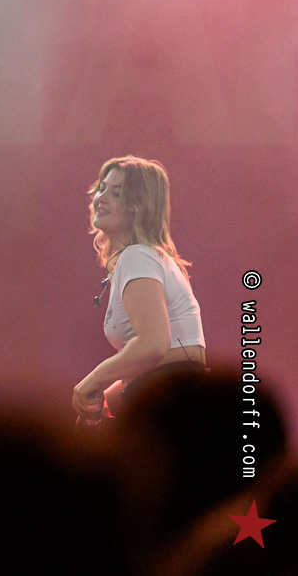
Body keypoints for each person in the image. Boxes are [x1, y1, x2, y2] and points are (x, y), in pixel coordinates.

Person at [73, 156, 206, 422]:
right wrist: (104, 398)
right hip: (171, 394)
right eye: (102, 188)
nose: (101, 198)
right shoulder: (142, 257)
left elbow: (154, 344)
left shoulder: (137, 257)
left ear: (138, 207)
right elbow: (157, 358)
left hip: (170, 399)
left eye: (116, 193)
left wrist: (93, 379)